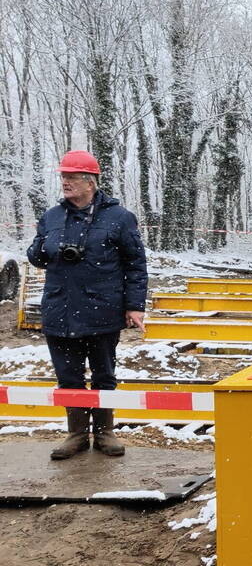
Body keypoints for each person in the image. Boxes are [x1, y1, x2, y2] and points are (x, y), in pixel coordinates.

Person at [27, 150, 148, 460]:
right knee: (68, 376)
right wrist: (41, 247)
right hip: (59, 309)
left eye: (72, 177)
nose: (65, 182)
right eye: (63, 177)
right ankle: (77, 435)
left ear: (90, 182)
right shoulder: (52, 216)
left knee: (104, 374)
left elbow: (136, 264)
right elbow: (36, 255)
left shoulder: (119, 217)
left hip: (102, 310)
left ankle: (105, 433)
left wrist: (135, 306)